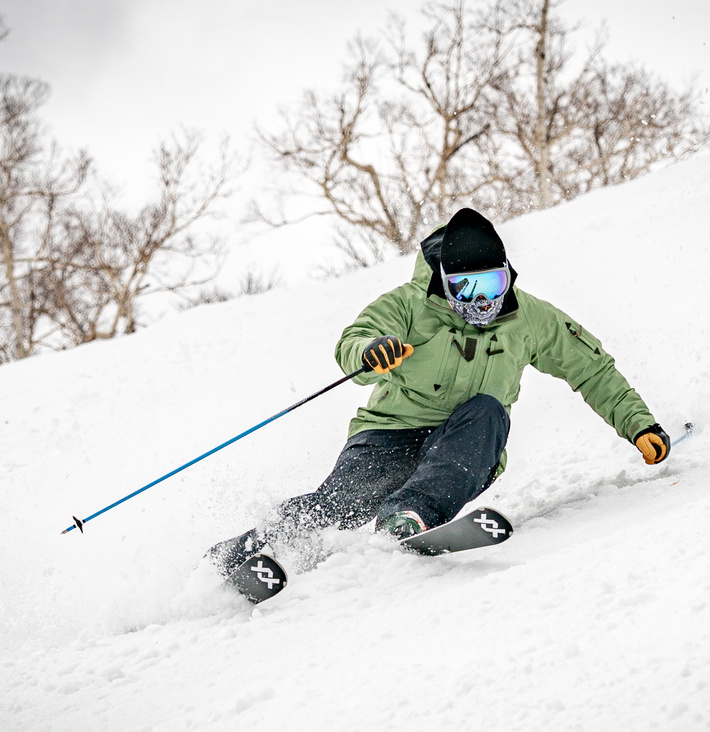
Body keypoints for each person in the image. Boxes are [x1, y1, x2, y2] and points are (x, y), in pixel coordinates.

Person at [206, 207, 670, 573]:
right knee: (339, 505)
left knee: (488, 409)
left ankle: (409, 516)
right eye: (465, 288)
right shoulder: (409, 305)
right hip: (390, 435)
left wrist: (638, 423)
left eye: (492, 283)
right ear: (444, 283)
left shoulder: (529, 319)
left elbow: (591, 368)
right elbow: (354, 341)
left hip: (467, 444)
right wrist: (372, 351)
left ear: (508, 275)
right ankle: (242, 552)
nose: (481, 299)